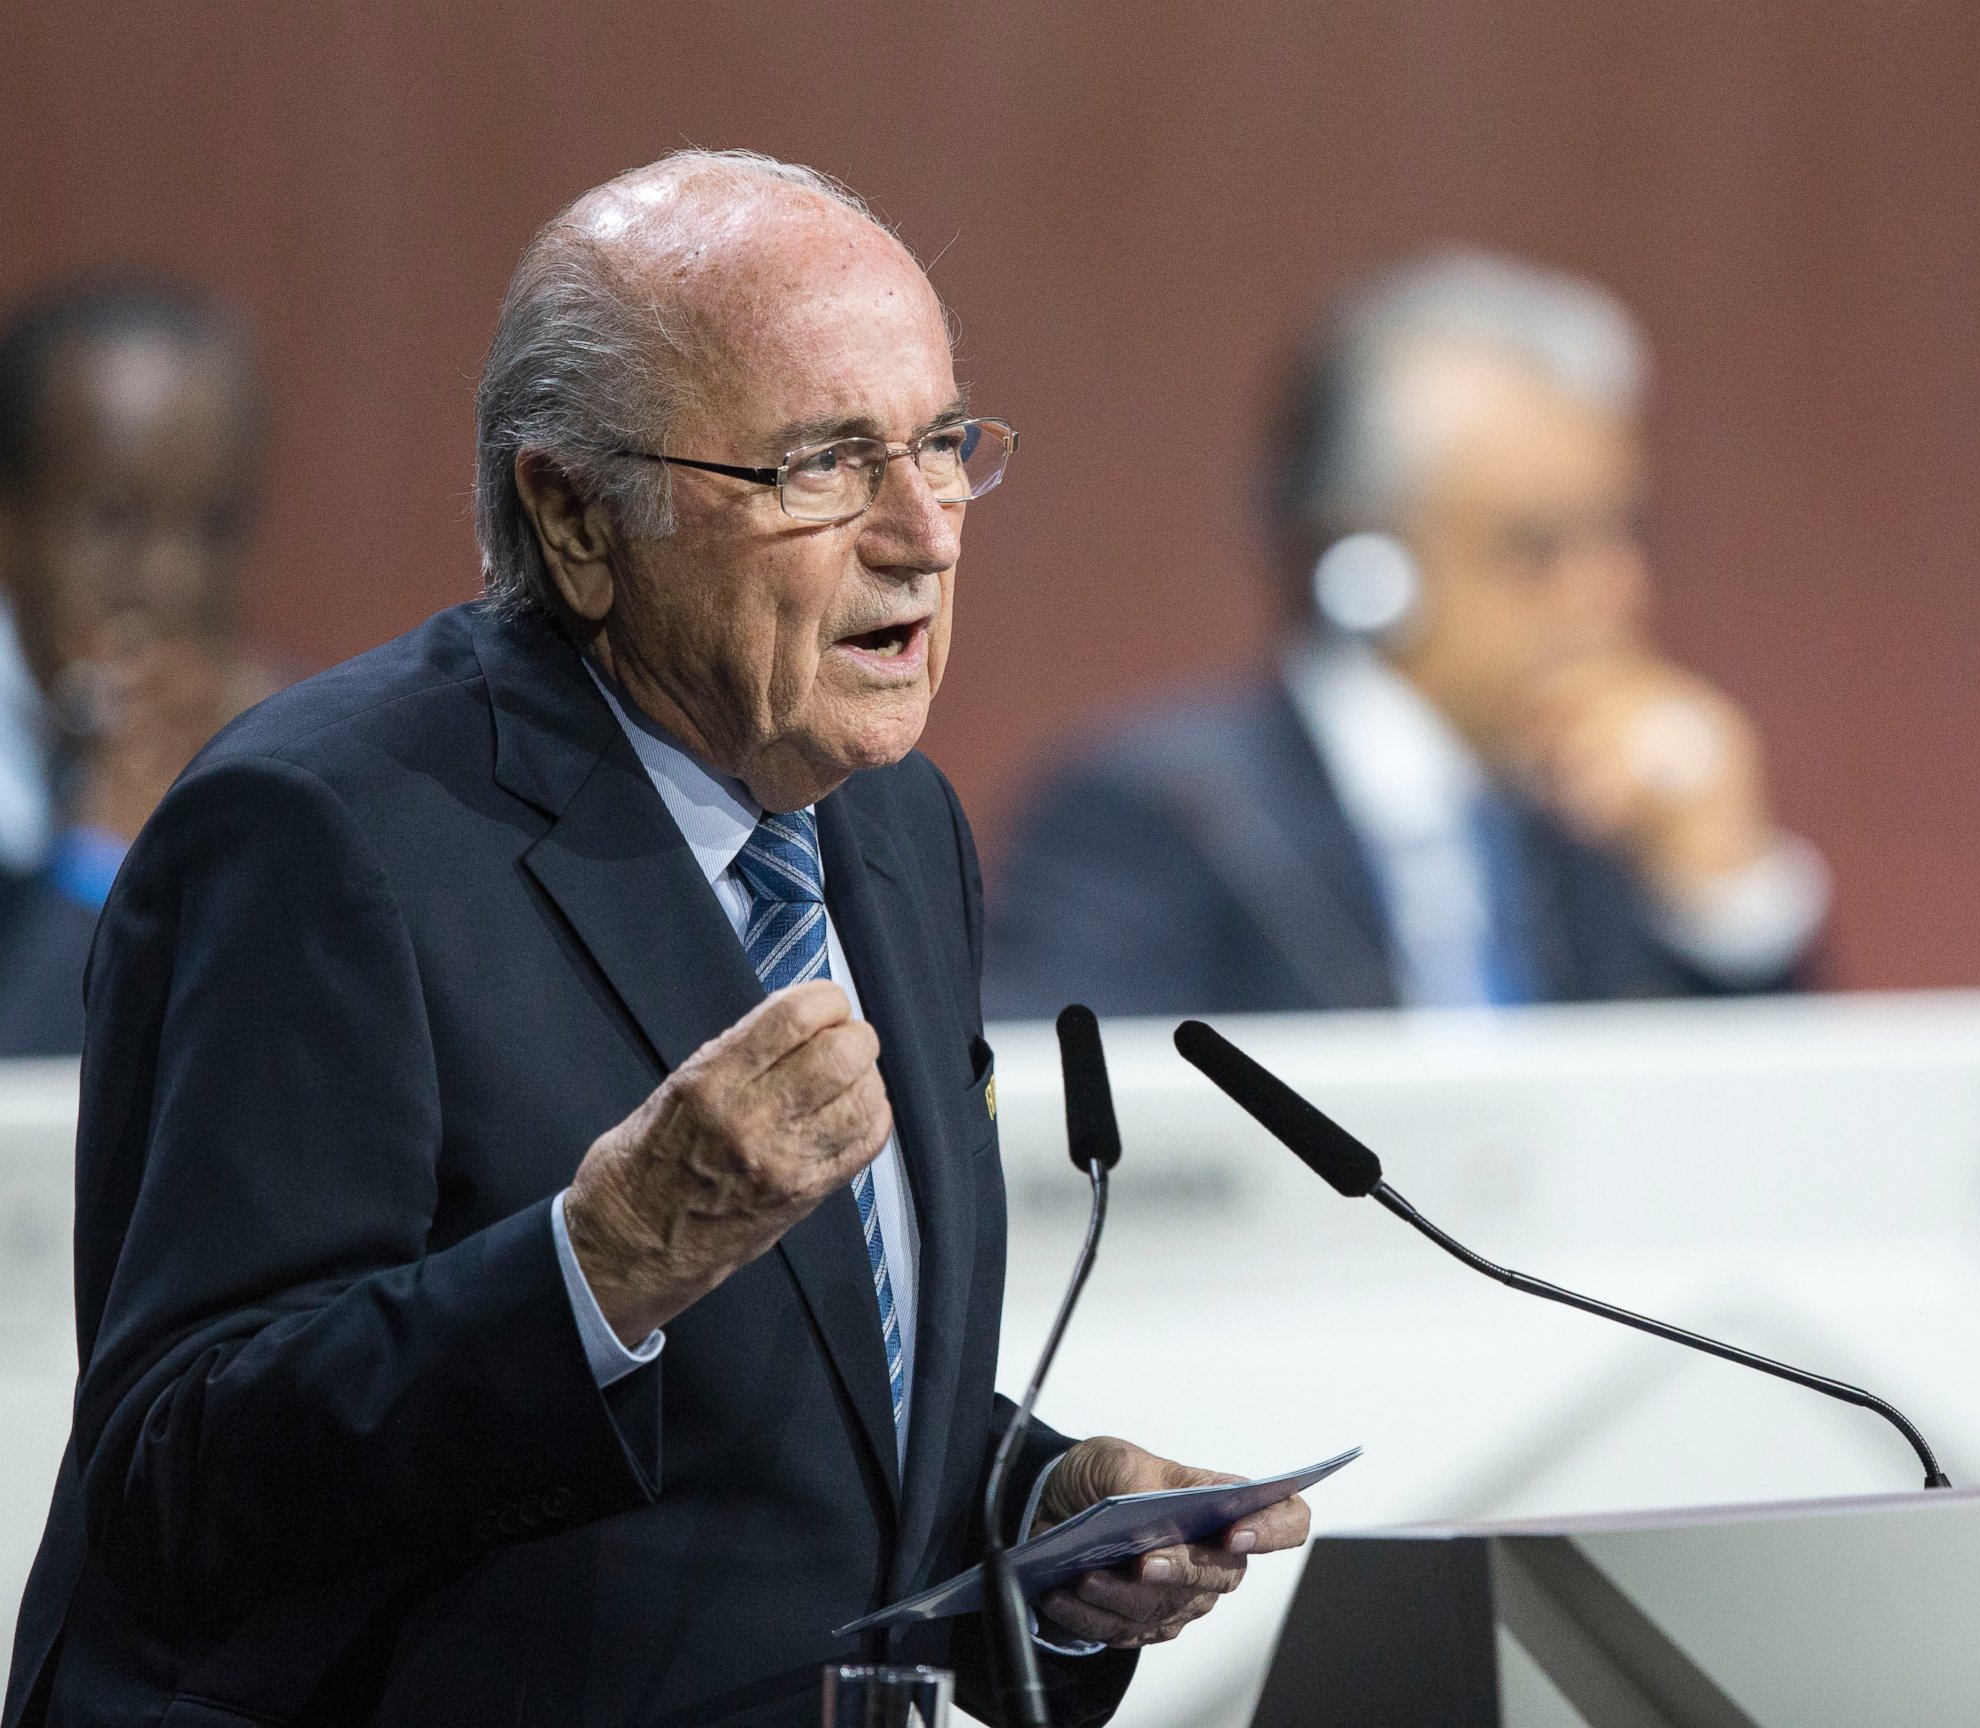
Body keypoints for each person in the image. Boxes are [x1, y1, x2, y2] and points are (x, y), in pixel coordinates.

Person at [2, 151, 1304, 1728]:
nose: (925, 533)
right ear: (576, 522)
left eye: (942, 446)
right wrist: (600, 1265)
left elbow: (806, 1404)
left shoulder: (894, 828)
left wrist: (1032, 1513)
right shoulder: (321, 836)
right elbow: (181, 1476)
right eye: (823, 466)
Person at [984, 250, 1826, 1019]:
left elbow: (1775, 1146)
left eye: (1622, 533)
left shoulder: (1605, 826)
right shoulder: (1160, 815)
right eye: (1536, 546)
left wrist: (1721, 889)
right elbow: (1068, 1143)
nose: (1611, 591)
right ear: (1364, 566)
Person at [0, 281, 267, 1055]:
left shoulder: (286, 739)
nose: (174, 583)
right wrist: (106, 854)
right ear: (10, 522)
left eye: (213, 526)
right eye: (115, 520)